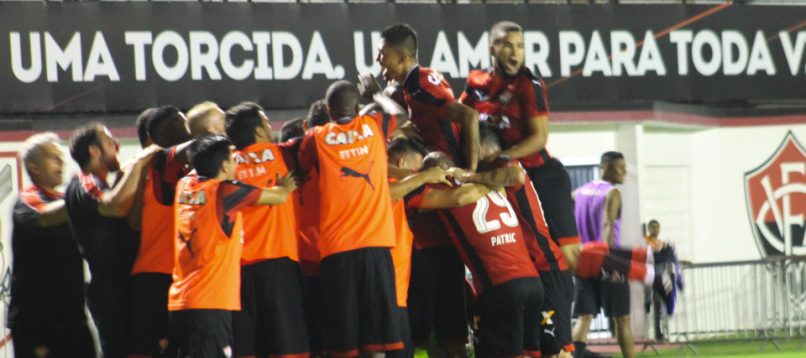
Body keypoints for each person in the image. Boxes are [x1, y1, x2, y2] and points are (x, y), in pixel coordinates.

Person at [460, 21, 583, 280]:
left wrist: (503, 157)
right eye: (507, 45)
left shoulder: (530, 84)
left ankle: (641, 269)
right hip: (509, 180)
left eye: (520, 46)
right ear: (492, 48)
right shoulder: (476, 82)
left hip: (541, 175)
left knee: (571, 256)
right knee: (529, 252)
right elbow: (461, 119)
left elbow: (540, 138)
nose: (515, 53)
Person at [297, 81, 404, 355]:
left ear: (329, 110)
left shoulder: (316, 137)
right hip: (376, 248)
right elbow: (401, 115)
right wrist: (376, 94)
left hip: (336, 253)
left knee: (344, 343)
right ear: (357, 108)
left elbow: (302, 166)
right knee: (377, 340)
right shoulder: (374, 125)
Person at [168, 134, 298, 358]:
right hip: (209, 303)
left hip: (181, 302)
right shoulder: (225, 191)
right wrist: (285, 186)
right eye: (232, 158)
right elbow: (278, 197)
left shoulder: (184, 186)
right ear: (224, 164)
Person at [405, 151, 544, 358]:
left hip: (500, 287)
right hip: (533, 284)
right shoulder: (496, 190)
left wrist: (426, 178)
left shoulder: (445, 192)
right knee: (531, 352)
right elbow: (512, 177)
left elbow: (454, 198)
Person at [65, 123, 161, 357]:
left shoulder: (107, 184)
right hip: (110, 291)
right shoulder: (85, 182)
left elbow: (133, 222)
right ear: (94, 151)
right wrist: (138, 163)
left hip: (125, 286)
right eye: (110, 142)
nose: (117, 147)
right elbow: (114, 207)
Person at [225, 102, 309, 357]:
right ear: (260, 131)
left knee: (246, 348)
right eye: (265, 122)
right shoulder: (284, 154)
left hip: (235, 271)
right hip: (277, 264)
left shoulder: (223, 165)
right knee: (288, 349)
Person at [8, 133, 96, 357]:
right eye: (53, 157)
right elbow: (46, 217)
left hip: (72, 317)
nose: (61, 162)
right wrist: (82, 190)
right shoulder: (29, 199)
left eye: (61, 156)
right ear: (34, 167)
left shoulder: (64, 198)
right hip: (38, 324)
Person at [361, 23, 480, 170]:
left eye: (382, 53)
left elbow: (470, 116)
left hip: (446, 173)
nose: (377, 59)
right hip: (435, 166)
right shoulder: (416, 83)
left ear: (401, 60)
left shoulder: (422, 87)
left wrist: (470, 172)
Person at [129, 106, 192, 357]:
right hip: (157, 277)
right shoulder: (162, 166)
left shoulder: (188, 170)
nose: (184, 130)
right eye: (177, 126)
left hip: (177, 276)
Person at [386, 138, 452, 358]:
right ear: (403, 161)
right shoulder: (393, 184)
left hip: (402, 277)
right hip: (395, 280)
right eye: (416, 166)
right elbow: (454, 198)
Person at [572, 151, 633, 358]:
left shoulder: (579, 192)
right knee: (622, 319)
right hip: (610, 259)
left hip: (584, 259)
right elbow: (607, 224)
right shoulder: (612, 193)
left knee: (584, 317)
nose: (625, 172)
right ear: (605, 167)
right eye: (620, 167)